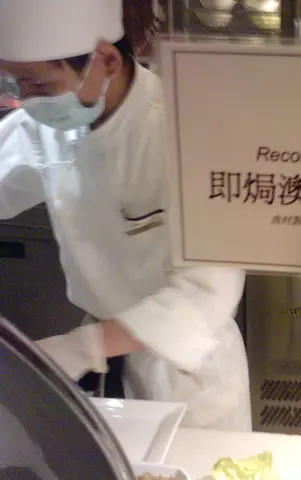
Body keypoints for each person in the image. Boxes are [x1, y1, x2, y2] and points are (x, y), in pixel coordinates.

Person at [0, 0, 251, 431]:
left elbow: (207, 292)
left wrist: (82, 348)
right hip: (104, 371)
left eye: (40, 84)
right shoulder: (49, 125)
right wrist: (89, 350)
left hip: (185, 376)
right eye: (18, 83)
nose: (28, 100)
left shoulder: (186, 131)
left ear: (107, 61)